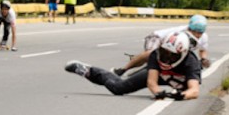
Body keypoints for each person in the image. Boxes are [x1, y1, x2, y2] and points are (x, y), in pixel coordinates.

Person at [65, 31, 201, 100]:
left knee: (118, 81)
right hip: (159, 75)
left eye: (172, 55)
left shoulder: (191, 62)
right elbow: (151, 82)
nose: (167, 58)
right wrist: (159, 94)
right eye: (164, 53)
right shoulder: (156, 54)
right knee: (118, 88)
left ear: (182, 54)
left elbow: (194, 90)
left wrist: (182, 96)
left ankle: (111, 75)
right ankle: (87, 70)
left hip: (175, 79)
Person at [111, 14, 210, 77]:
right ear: (189, 28)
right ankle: (123, 69)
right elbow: (165, 43)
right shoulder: (180, 32)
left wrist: (204, 59)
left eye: (200, 33)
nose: (197, 35)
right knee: (151, 54)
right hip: (158, 38)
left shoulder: (203, 37)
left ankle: (143, 71)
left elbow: (202, 50)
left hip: (171, 47)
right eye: (194, 31)